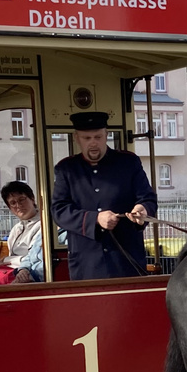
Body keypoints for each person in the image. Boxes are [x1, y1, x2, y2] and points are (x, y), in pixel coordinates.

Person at [50, 114, 157, 280]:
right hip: (87, 265)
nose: (93, 142)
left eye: (98, 137)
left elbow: (148, 198)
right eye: (87, 138)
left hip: (126, 261)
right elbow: (59, 211)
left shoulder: (128, 163)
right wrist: (95, 219)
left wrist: (142, 209)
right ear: (77, 138)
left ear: (107, 135)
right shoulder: (66, 169)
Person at [0, 180, 45, 285]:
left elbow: (34, 257)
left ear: (32, 199)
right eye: (13, 203)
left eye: (22, 200)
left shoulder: (44, 225)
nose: (18, 205)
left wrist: (8, 260)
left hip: (34, 277)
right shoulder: (16, 229)